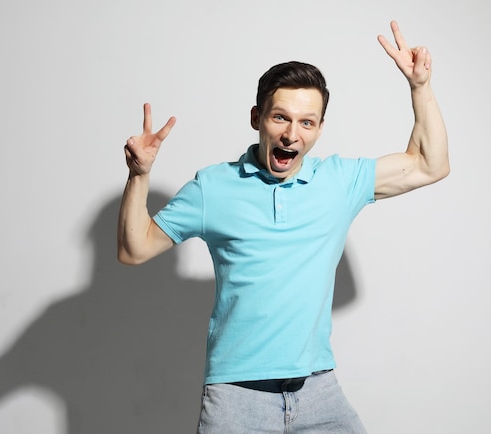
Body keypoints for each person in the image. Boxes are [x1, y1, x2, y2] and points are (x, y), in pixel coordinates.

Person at [117, 20, 448, 433]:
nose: (292, 135)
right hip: (237, 399)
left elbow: (429, 164)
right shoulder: (214, 188)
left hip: (319, 392)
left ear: (320, 128)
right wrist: (139, 175)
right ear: (257, 117)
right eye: (280, 118)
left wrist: (420, 87)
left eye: (307, 123)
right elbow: (135, 249)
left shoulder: (338, 183)